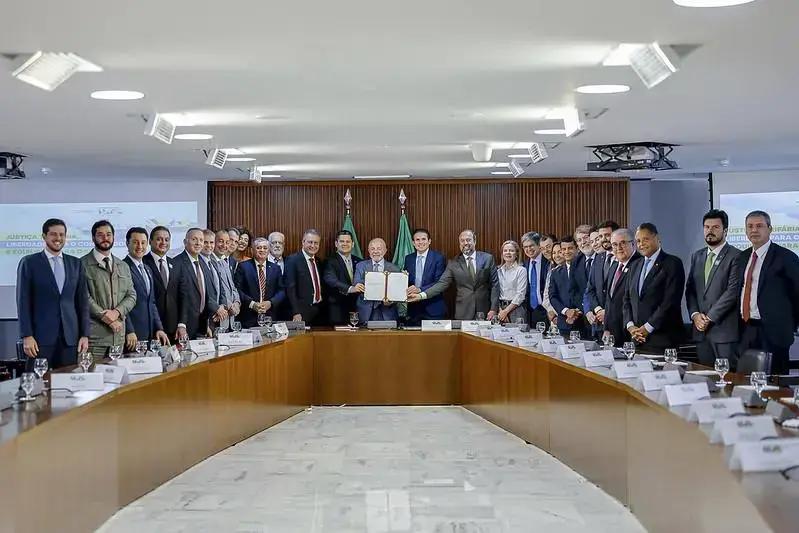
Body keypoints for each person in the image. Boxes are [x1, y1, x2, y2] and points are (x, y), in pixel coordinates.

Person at [16, 218, 90, 369]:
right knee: (37, 381)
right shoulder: (29, 263)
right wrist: (27, 335)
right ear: (44, 236)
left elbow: (82, 302)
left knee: (67, 380)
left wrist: (85, 335)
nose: (58, 238)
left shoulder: (76, 264)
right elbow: (23, 301)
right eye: (53, 234)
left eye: (62, 234)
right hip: (39, 338)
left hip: (70, 339)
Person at [736, 210, 799, 375]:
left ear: (770, 229)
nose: (754, 230)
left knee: (775, 382)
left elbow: (797, 294)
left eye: (759, 226)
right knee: (747, 380)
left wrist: (791, 326)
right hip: (747, 329)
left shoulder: (786, 257)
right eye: (750, 226)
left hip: (775, 332)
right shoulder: (742, 257)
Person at [685, 209, 742, 368]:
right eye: (707, 227)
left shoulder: (736, 256)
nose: (710, 231)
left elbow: (732, 292)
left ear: (725, 231)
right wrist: (695, 315)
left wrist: (709, 318)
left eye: (715, 227)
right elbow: (690, 290)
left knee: (727, 378)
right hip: (700, 332)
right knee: (706, 377)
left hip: (724, 333)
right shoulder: (697, 256)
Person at [623, 223, 686, 353]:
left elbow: (670, 302)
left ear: (657, 238)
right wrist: (631, 326)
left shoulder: (672, 263)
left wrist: (647, 327)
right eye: (638, 241)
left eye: (645, 239)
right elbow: (627, 299)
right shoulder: (634, 265)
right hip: (637, 338)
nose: (641, 244)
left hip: (662, 339)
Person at [409, 229, 498, 320]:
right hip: (463, 312)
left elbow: (495, 285)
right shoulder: (453, 263)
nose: (465, 243)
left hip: (485, 311)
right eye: (462, 241)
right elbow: (442, 284)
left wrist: (494, 309)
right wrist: (421, 295)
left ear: (475, 241)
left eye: (468, 240)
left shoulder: (487, 258)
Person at [81, 220, 137, 359]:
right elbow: (83, 297)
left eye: (108, 234)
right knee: (92, 372)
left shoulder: (123, 265)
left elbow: (131, 295)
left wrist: (117, 312)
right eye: (100, 235)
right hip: (94, 339)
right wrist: (107, 318)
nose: (105, 238)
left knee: (118, 373)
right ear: (93, 238)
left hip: (118, 338)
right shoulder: (82, 264)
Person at [167, 228, 226, 340]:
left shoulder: (203, 263)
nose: (198, 243)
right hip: (183, 327)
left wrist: (206, 323)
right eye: (194, 239)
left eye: (201, 240)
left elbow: (205, 295)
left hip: (201, 326)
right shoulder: (177, 263)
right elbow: (175, 298)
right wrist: (181, 324)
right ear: (185, 242)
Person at [123, 227, 170, 351]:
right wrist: (129, 330)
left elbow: (151, 302)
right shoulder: (122, 267)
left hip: (149, 334)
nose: (140, 246)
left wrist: (159, 328)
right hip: (132, 336)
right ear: (127, 243)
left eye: (143, 242)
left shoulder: (147, 269)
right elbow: (120, 303)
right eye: (135, 242)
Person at [233, 237, 285, 327]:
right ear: (253, 250)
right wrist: (252, 304)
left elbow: (282, 291)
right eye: (258, 248)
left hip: (269, 317)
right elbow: (237, 290)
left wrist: (271, 303)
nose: (262, 250)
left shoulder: (275, 268)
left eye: (265, 248)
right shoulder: (243, 267)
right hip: (248, 317)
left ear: (268, 250)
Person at [602, 229, 641, 346]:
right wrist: (607, 328)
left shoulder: (639, 264)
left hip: (632, 332)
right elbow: (609, 300)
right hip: (613, 333)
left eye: (623, 243)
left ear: (633, 244)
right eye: (614, 244)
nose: (618, 247)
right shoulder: (614, 266)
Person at [353, 238, 401, 324]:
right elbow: (356, 282)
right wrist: (357, 286)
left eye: (379, 248)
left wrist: (391, 301)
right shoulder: (360, 266)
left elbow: (397, 291)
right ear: (368, 251)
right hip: (365, 311)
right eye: (372, 249)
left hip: (387, 312)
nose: (375, 251)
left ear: (385, 250)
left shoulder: (395, 269)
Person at [404, 228, 447, 325]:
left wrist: (420, 289)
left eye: (423, 239)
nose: (420, 242)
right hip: (414, 308)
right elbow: (407, 280)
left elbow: (439, 282)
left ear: (429, 241)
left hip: (433, 307)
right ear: (413, 243)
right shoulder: (408, 258)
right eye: (417, 240)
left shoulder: (438, 258)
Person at [585, 220, 620, 339]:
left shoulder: (624, 259)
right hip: (598, 324)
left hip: (618, 325)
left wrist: (608, 313)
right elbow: (590, 289)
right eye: (600, 236)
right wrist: (598, 309)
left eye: (607, 235)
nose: (603, 239)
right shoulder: (598, 258)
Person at [284, 229, 325, 325]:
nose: (313, 246)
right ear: (303, 242)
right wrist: (296, 312)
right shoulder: (292, 260)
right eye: (310, 242)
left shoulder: (318, 261)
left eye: (316, 243)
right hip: (301, 312)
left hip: (319, 311)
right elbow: (290, 288)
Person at [323, 230, 363, 325]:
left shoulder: (359, 261)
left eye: (348, 241)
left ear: (352, 244)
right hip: (337, 310)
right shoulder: (329, 261)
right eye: (342, 241)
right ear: (336, 244)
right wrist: (351, 289)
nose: (345, 244)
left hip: (357, 309)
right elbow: (331, 280)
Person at [142, 225, 175, 332]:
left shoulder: (175, 264)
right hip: (150, 324)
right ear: (150, 241)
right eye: (159, 239)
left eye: (166, 239)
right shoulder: (142, 262)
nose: (163, 242)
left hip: (173, 326)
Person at [548, 236, 582, 335]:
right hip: (564, 322)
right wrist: (566, 311)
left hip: (584, 322)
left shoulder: (585, 268)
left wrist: (576, 312)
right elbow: (552, 296)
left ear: (577, 249)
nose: (566, 251)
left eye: (570, 248)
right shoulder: (555, 272)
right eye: (563, 249)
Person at [212, 229, 242, 328]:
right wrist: (228, 305)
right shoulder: (209, 261)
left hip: (230, 319)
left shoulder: (225, 262)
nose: (225, 245)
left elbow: (233, 287)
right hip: (217, 315)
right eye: (221, 241)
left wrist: (237, 303)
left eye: (227, 242)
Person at [520, 232, 549, 328]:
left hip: (546, 310)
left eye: (531, 245)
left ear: (538, 245)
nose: (528, 249)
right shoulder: (524, 265)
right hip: (529, 312)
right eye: (525, 247)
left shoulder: (548, 262)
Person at [200, 229, 229, 325]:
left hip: (217, 316)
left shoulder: (213, 262)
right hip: (204, 316)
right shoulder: (197, 263)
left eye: (211, 242)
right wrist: (216, 308)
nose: (209, 245)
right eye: (205, 242)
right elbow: (202, 292)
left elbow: (221, 289)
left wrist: (222, 306)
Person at [496, 240, 528, 324]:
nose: (508, 253)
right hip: (500, 309)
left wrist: (506, 311)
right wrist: (501, 311)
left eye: (511, 250)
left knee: (517, 332)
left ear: (516, 254)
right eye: (505, 250)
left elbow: (520, 294)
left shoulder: (521, 270)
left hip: (516, 309)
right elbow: (495, 292)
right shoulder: (498, 271)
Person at [267, 231, 290, 320]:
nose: (277, 245)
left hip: (286, 311)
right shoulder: (262, 262)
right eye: (274, 242)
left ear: (283, 245)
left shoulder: (289, 262)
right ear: (269, 245)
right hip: (267, 309)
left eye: (280, 243)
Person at [542, 240, 563, 323]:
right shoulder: (553, 271)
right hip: (553, 315)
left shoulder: (574, 269)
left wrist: (562, 312)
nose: (556, 256)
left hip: (568, 314)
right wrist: (551, 312)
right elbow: (546, 295)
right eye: (554, 253)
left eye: (559, 252)